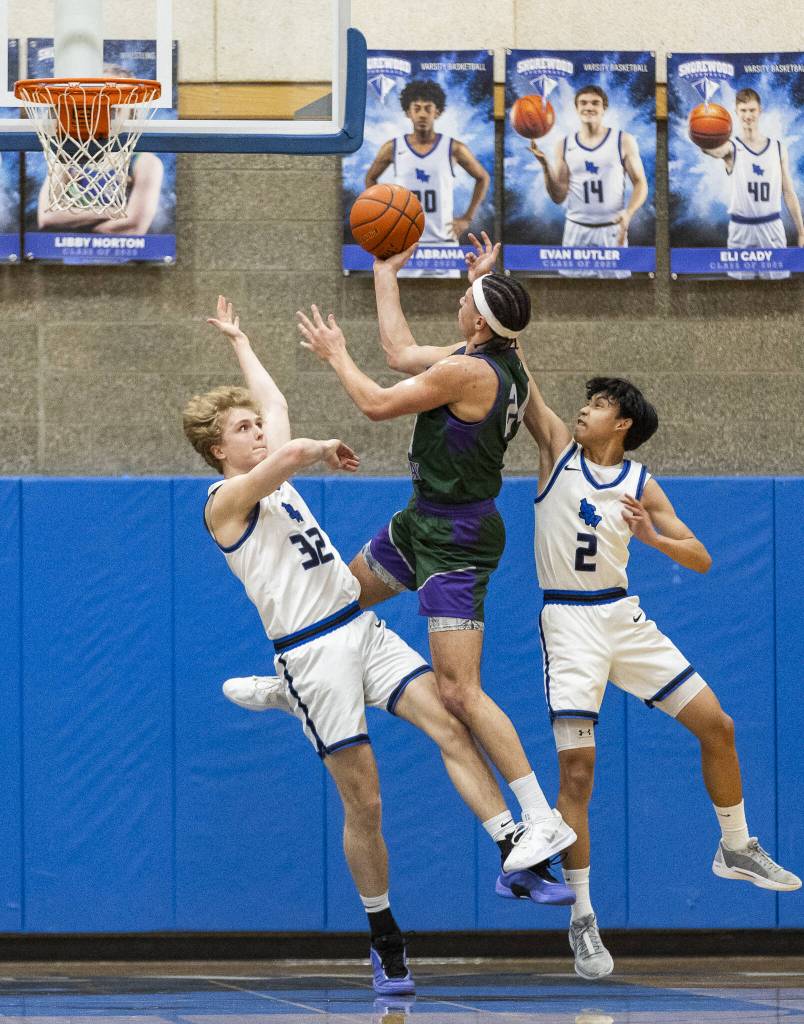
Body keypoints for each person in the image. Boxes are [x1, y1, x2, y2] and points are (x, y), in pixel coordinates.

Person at [182, 297, 574, 996]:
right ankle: (384, 934)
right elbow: (287, 455)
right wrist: (317, 449)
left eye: (257, 427)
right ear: (221, 451)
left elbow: (274, 402)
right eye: (244, 430)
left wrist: (242, 340)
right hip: (312, 654)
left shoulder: (268, 460)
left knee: (451, 720)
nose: (260, 432)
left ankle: (513, 841)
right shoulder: (225, 502)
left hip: (357, 627)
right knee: (366, 805)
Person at [296, 233, 576, 892]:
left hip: (458, 540)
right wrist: (383, 270)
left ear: (479, 320)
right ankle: (296, 689)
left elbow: (375, 401)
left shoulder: (467, 370)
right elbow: (397, 351)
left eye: (466, 297)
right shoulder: (493, 358)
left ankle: (540, 817)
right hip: (421, 521)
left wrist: (336, 355)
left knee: (458, 692)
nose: (457, 300)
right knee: (331, 606)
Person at [520, 370, 802, 980]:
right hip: (568, 620)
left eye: (597, 406)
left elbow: (699, 556)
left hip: (622, 617)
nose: (583, 411)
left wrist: (651, 535)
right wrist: (497, 316)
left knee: (717, 724)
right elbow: (527, 388)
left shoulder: (641, 484)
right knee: (578, 771)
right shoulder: (555, 453)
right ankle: (584, 918)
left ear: (622, 424)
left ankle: (735, 845)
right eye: (586, 403)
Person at [365, 79, 490, 276]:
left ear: (437, 112)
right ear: (408, 112)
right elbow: (370, 179)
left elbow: (483, 177)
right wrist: (383, 213)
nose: (422, 113)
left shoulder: (453, 148)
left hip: (444, 245)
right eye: (417, 108)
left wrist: (467, 218)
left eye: (428, 108)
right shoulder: (393, 148)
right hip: (406, 245)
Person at [528, 84, 648, 278]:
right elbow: (558, 196)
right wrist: (544, 166)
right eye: (583, 103)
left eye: (595, 103)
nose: (589, 107)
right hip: (576, 228)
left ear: (604, 108)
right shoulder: (564, 144)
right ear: (576, 108)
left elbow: (641, 183)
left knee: (617, 294)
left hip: (611, 228)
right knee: (570, 293)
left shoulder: (623, 140)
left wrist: (629, 213)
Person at [36, 64, 164, 235]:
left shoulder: (145, 161)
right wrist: (117, 211)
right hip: (70, 255)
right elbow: (47, 218)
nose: (108, 100)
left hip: (127, 257)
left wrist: (76, 224)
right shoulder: (70, 153)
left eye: (117, 95)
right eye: (100, 94)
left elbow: (134, 226)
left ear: (132, 106)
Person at [696, 87, 804, 280]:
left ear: (760, 111)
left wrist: (802, 231)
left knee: (777, 288)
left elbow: (788, 191)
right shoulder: (731, 147)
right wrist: (699, 134)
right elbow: (712, 150)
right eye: (743, 110)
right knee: (738, 288)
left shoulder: (778, 148)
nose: (748, 115)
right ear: (736, 112)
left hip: (771, 225)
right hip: (741, 228)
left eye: (752, 110)